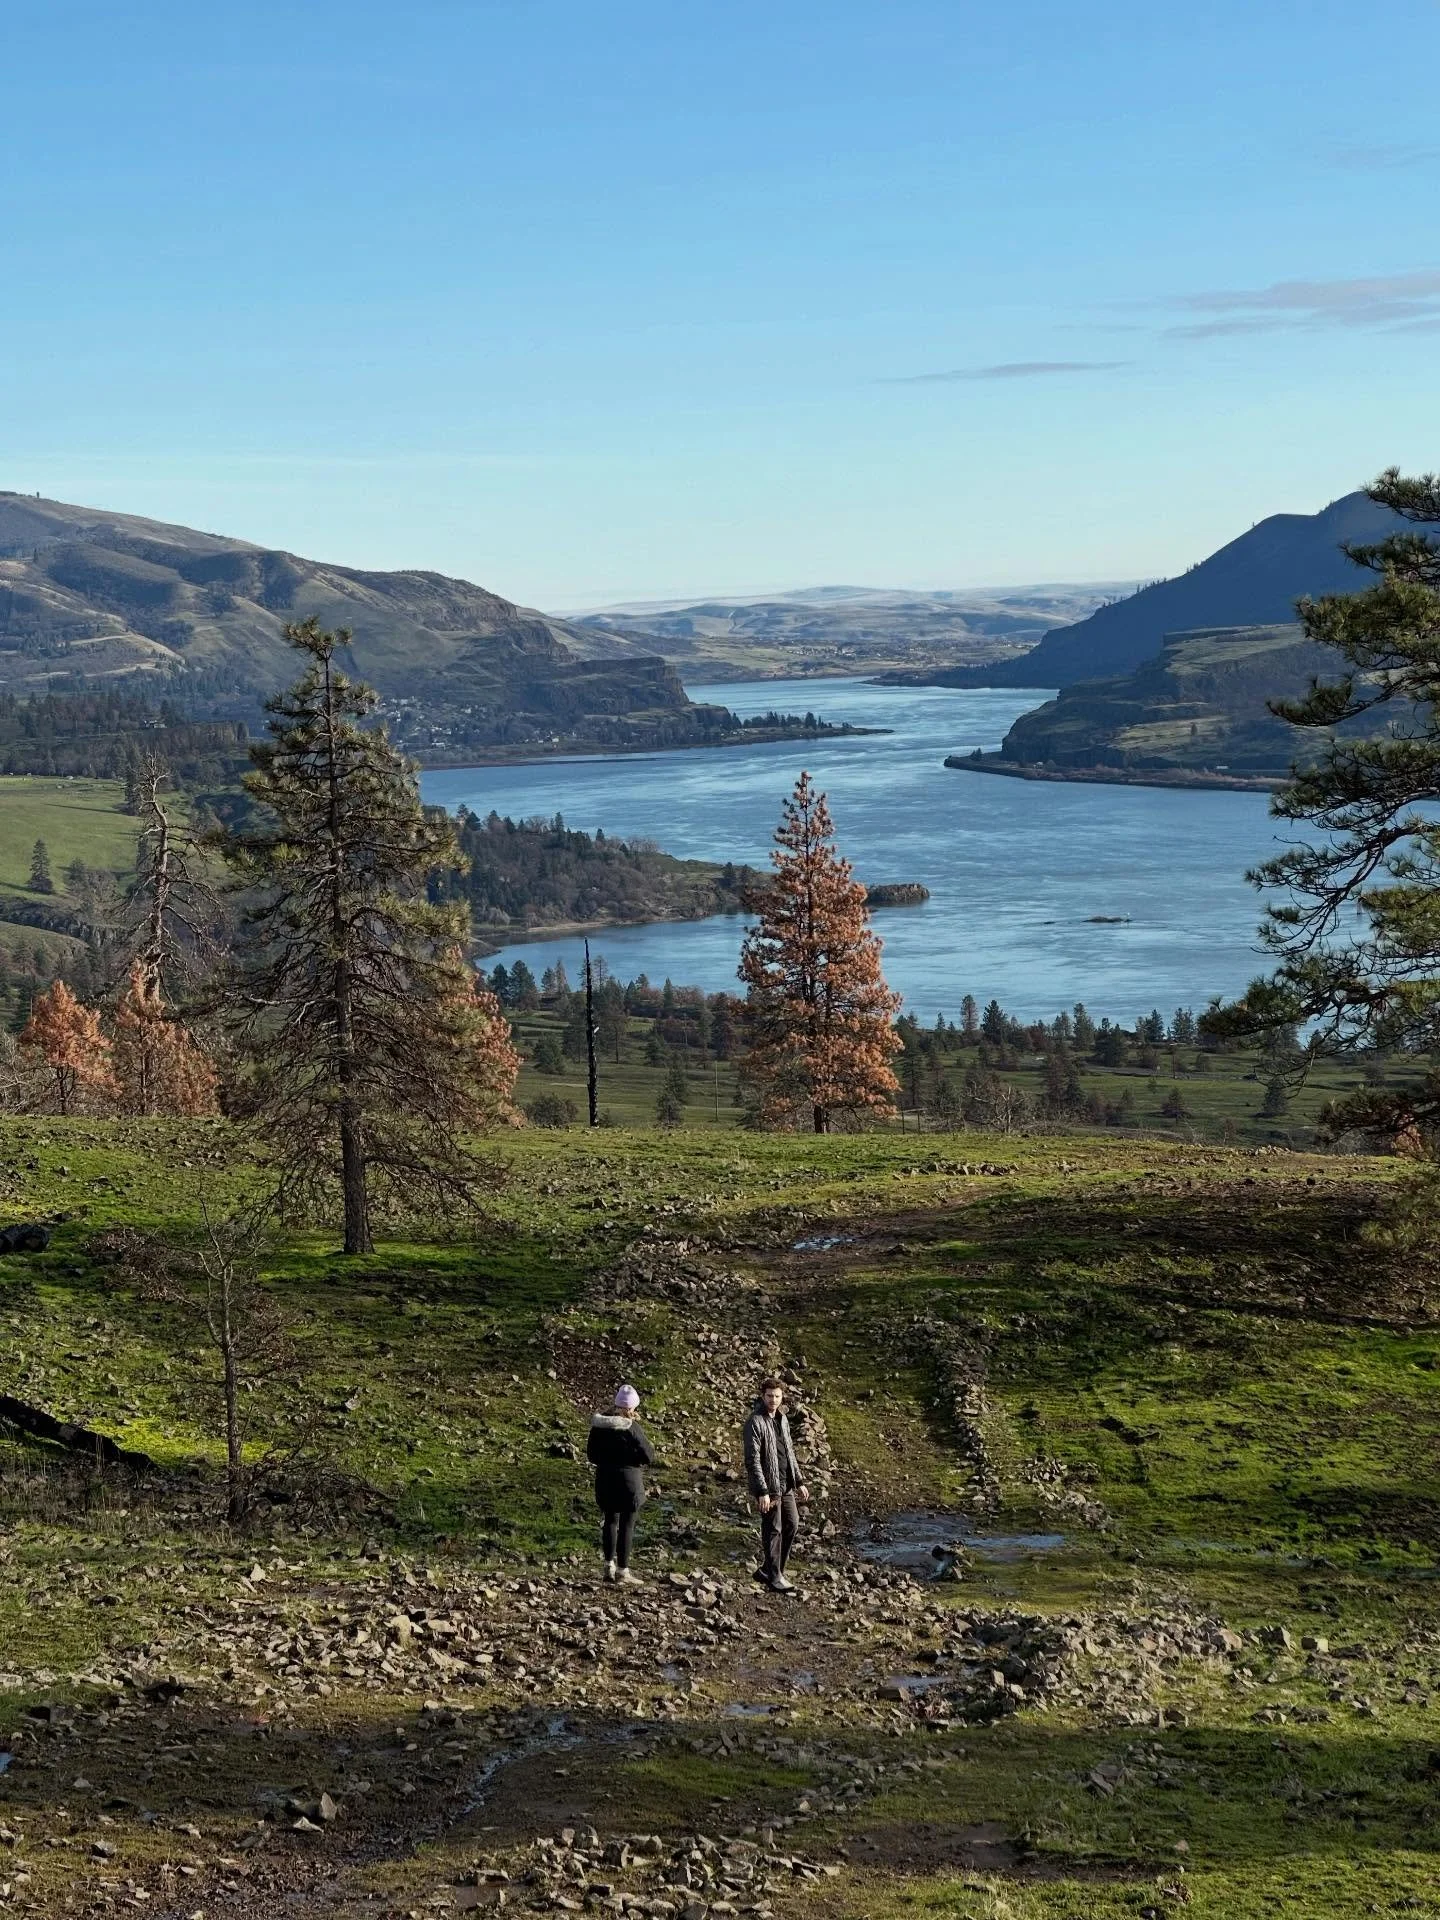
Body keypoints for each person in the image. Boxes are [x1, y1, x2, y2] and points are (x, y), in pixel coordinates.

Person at [743, 1376, 809, 1592]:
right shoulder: (755, 1422)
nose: (773, 1400)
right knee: (773, 1529)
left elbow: (789, 1452)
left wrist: (799, 1480)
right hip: (769, 1487)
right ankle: (774, 1577)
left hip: (786, 1483)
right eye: (769, 1396)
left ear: (782, 1398)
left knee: (792, 1523)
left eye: (777, 1396)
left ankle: (770, 1570)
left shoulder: (782, 1419)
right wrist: (762, 1491)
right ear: (763, 1396)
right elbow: (752, 1460)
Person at [586, 1384, 655, 1584]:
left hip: (605, 1480)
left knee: (610, 1521)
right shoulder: (631, 1427)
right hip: (628, 1482)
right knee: (627, 1525)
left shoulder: (599, 1427)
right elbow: (648, 1455)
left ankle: (608, 1566)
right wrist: (632, 1458)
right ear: (631, 1407)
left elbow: (591, 1455)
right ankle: (623, 1571)